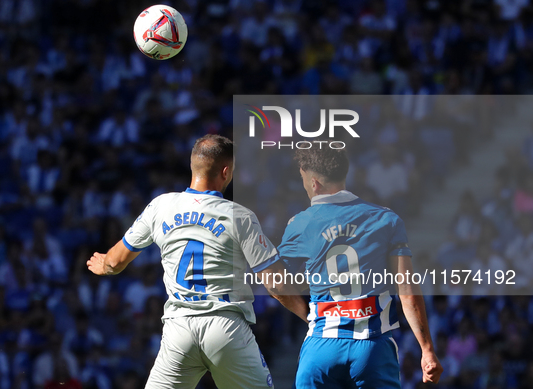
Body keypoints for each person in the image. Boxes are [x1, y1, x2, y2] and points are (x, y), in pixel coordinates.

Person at [86, 134, 308, 389]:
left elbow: (115, 262)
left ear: (193, 167)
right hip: (225, 327)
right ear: (226, 171)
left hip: (179, 330)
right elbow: (276, 285)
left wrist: (103, 264)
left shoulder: (160, 206)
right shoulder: (239, 216)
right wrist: (310, 317)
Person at [278, 146, 443, 388]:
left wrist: (309, 315)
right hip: (373, 348)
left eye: (303, 179)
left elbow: (275, 283)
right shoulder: (386, 219)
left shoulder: (300, 224)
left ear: (313, 182)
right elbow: (406, 288)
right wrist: (426, 349)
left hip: (321, 346)